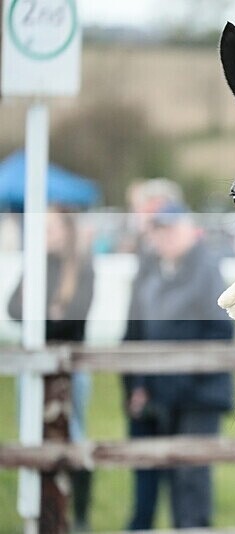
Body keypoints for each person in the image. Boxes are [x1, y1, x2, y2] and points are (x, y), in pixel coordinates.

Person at [124, 201, 233, 530]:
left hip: (198, 394)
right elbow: (136, 334)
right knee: (155, 476)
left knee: (190, 482)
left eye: (171, 229)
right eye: (159, 230)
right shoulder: (150, 271)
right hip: (159, 393)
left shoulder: (206, 268)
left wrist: (170, 384)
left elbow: (219, 331)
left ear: (188, 230)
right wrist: (138, 385)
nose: (165, 237)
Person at [8, 208, 95, 532]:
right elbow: (13, 308)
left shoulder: (82, 267)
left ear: (66, 230)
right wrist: (51, 310)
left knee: (74, 438)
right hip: (33, 368)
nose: (46, 234)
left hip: (70, 370)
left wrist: (42, 312)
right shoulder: (36, 265)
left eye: (52, 227)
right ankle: (43, 509)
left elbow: (74, 318)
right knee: (33, 437)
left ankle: (80, 517)